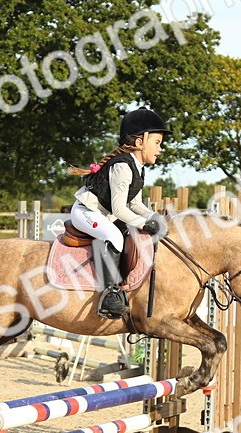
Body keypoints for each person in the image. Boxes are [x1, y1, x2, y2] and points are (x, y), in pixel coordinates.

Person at [68, 108, 171, 319]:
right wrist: (144, 223)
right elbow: (119, 209)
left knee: (128, 233)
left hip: (103, 214)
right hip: (86, 212)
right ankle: (109, 294)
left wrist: (154, 217)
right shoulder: (123, 166)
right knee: (114, 236)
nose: (160, 149)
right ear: (140, 142)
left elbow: (135, 203)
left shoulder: (138, 167)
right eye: (157, 142)